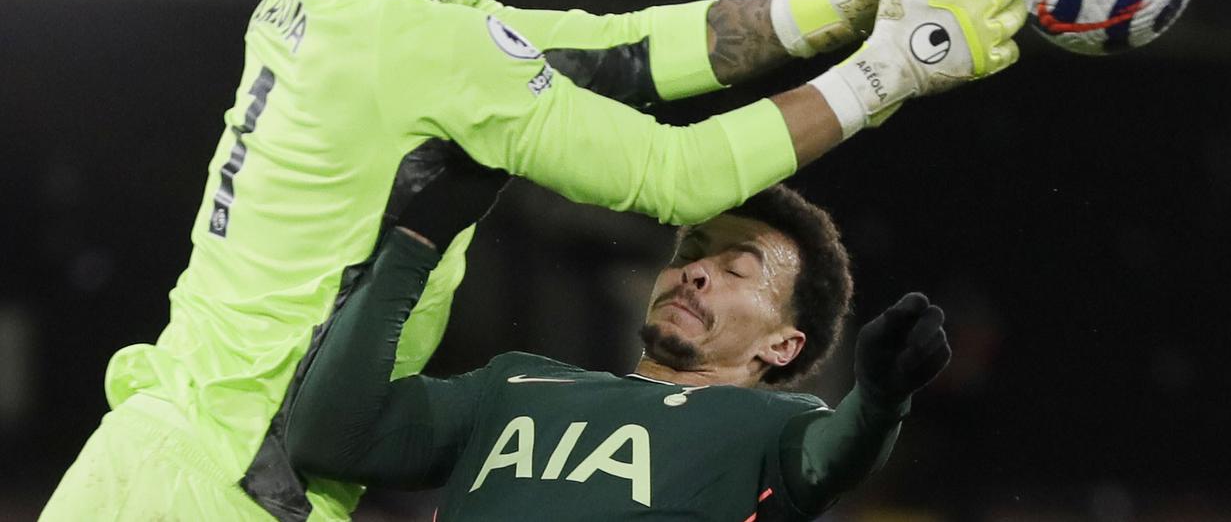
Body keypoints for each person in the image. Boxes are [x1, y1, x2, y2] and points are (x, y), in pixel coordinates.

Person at [40, 0, 1026, 519]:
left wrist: (839, 4)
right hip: (229, 491)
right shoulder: (428, 50)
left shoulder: (303, 0)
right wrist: (893, 69)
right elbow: (681, 176)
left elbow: (613, 50)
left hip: (129, 458)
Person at [285, 183, 952, 520]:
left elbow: (835, 455)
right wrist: (414, 243)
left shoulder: (771, 428)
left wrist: (881, 398)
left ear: (783, 345)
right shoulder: (511, 385)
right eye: (691, 254)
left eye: (735, 269)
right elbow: (331, 437)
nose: (695, 272)